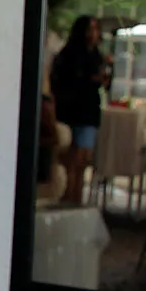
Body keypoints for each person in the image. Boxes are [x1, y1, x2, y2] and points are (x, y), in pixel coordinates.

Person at [50, 15, 107, 206]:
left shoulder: (96, 56)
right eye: (91, 29)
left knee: (83, 156)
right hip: (73, 108)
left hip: (88, 109)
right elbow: (64, 80)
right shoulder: (71, 54)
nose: (94, 34)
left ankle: (77, 193)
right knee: (73, 154)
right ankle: (70, 192)